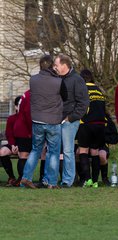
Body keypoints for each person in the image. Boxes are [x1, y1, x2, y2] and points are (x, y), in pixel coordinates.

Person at [20, 55, 67, 189]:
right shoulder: (58, 81)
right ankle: (51, 182)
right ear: (52, 66)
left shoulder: (33, 80)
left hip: (37, 120)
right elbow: (65, 96)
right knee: (53, 152)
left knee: (35, 150)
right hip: (53, 120)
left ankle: (26, 177)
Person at [54, 54, 89, 188]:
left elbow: (83, 102)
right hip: (55, 119)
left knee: (68, 150)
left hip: (69, 120)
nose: (54, 67)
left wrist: (71, 117)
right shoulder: (56, 79)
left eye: (56, 65)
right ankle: (53, 179)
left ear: (64, 65)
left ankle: (68, 180)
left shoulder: (77, 80)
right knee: (55, 150)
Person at [77, 69, 107, 188]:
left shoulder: (82, 89)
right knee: (95, 152)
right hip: (100, 125)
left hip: (86, 123)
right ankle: (95, 181)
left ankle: (87, 179)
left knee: (83, 151)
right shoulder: (99, 91)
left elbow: (80, 106)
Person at [0, 96, 21, 186]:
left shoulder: (29, 118)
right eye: (20, 104)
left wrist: (19, 146)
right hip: (13, 144)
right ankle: (11, 177)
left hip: (25, 144)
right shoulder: (11, 118)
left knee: (22, 153)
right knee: (2, 151)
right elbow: (9, 134)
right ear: (16, 107)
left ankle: (22, 178)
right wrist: (12, 145)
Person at [13, 89, 32, 186]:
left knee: (23, 156)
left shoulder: (25, 94)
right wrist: (30, 130)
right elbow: (27, 113)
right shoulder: (31, 95)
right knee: (24, 155)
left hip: (20, 126)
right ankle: (23, 179)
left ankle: (22, 179)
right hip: (24, 128)